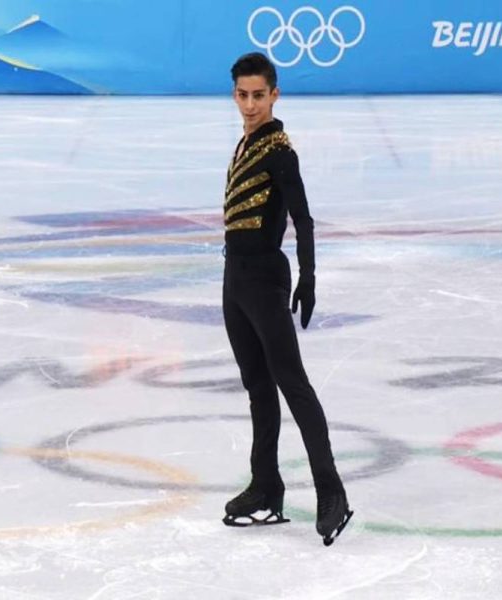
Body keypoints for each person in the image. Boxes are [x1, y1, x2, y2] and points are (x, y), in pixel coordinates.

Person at [221, 52, 352, 545]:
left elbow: (304, 217)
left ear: (274, 94)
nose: (250, 105)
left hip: (265, 281)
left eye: (259, 95)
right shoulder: (246, 142)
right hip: (236, 279)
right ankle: (266, 486)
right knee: (258, 386)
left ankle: (331, 490)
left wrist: (309, 277)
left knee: (292, 385)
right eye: (242, 95)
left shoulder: (279, 150)